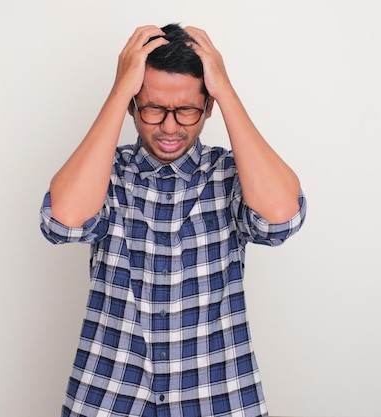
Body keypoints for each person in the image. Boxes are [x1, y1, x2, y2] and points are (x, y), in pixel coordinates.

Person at [40, 23, 306, 417]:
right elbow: (62, 223)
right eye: (152, 109)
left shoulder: (231, 173)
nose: (168, 126)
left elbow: (280, 219)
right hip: (108, 398)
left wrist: (226, 92)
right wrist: (119, 91)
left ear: (207, 106)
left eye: (186, 110)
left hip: (219, 399)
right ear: (133, 104)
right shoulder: (106, 172)